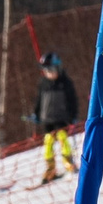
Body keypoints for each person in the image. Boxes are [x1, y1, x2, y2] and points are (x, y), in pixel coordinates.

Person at [35, 53, 80, 185]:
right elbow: (39, 100)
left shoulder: (65, 83)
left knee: (62, 139)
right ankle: (50, 170)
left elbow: (73, 101)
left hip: (62, 118)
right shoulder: (43, 83)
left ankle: (69, 164)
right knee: (48, 142)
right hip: (47, 119)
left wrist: (73, 116)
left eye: (51, 70)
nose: (49, 73)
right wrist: (36, 114)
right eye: (46, 71)